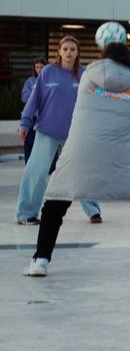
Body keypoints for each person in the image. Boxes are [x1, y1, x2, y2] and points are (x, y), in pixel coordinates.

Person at [22, 43, 130, 277]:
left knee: (55, 202)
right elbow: (125, 122)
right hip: (120, 153)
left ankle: (39, 261)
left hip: (79, 152)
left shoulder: (86, 79)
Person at [17, 36, 100, 225]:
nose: (69, 52)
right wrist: (25, 123)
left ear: (78, 52)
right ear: (59, 52)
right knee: (36, 172)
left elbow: (94, 102)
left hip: (75, 134)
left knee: (83, 172)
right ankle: (26, 213)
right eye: (65, 49)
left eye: (72, 49)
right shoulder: (48, 72)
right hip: (46, 131)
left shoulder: (84, 75)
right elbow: (34, 100)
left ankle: (93, 211)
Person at [20, 57, 47, 164]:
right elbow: (24, 96)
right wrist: (36, 95)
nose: (39, 69)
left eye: (42, 67)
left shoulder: (50, 80)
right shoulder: (30, 81)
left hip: (46, 118)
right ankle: (29, 165)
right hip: (32, 118)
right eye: (37, 67)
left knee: (47, 144)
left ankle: (50, 168)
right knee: (30, 143)